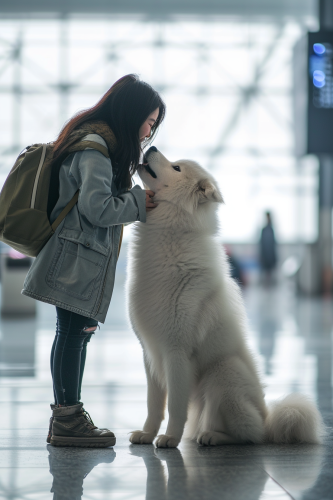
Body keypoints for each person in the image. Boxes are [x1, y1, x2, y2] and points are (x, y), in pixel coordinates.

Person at [22, 74, 166, 448]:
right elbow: (96, 207)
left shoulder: (95, 141)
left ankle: (66, 416)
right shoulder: (96, 147)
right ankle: (69, 419)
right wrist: (138, 202)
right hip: (75, 258)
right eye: (149, 123)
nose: (148, 132)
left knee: (73, 334)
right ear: (131, 114)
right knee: (73, 335)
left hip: (78, 256)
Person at [259, 211, 277, 286]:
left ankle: (270, 283)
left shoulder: (271, 230)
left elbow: (273, 243)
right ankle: (266, 283)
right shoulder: (264, 230)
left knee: (270, 270)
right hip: (265, 254)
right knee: (265, 270)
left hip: (270, 254)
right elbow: (261, 243)